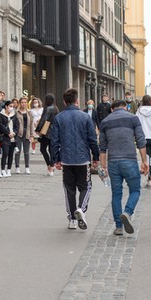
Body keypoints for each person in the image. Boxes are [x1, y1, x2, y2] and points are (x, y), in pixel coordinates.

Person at [50, 89, 100, 230]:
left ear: (64, 102)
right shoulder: (85, 117)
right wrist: (95, 156)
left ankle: (72, 218)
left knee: (69, 189)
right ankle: (81, 209)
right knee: (86, 186)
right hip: (83, 158)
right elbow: (92, 139)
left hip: (66, 158)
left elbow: (55, 141)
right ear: (77, 101)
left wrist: (56, 159)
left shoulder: (59, 118)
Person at [99, 100, 149, 235]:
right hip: (129, 160)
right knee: (135, 190)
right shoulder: (133, 118)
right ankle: (127, 212)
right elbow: (141, 140)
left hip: (113, 162)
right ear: (125, 107)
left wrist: (103, 167)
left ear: (112, 109)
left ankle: (119, 227)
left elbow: (102, 148)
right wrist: (145, 161)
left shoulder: (105, 122)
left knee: (116, 194)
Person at [136, 95, 151, 189]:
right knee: (150, 158)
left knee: (147, 159)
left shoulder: (138, 112)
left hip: (143, 138)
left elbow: (136, 125)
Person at [36, 94, 60, 176]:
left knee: (43, 149)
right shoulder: (56, 108)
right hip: (54, 131)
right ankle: (52, 167)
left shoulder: (47, 108)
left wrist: (38, 129)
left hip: (47, 131)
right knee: (51, 149)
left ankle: (49, 166)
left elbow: (44, 120)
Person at [0, 100, 19, 177]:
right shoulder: (0, 115)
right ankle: (2, 169)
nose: (12, 108)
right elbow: (0, 125)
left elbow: (17, 126)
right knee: (5, 153)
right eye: (10, 106)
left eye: (13, 107)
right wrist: (8, 133)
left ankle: (9, 169)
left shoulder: (14, 115)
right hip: (5, 137)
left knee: (11, 154)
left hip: (13, 138)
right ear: (6, 106)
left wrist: (14, 133)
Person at [14, 97, 33, 174]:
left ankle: (27, 167)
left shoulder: (29, 112)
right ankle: (17, 167)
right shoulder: (16, 112)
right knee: (17, 151)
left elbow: (31, 124)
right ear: (19, 103)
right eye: (22, 102)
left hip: (27, 133)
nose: (23, 104)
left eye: (25, 102)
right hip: (18, 133)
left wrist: (32, 135)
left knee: (26, 152)